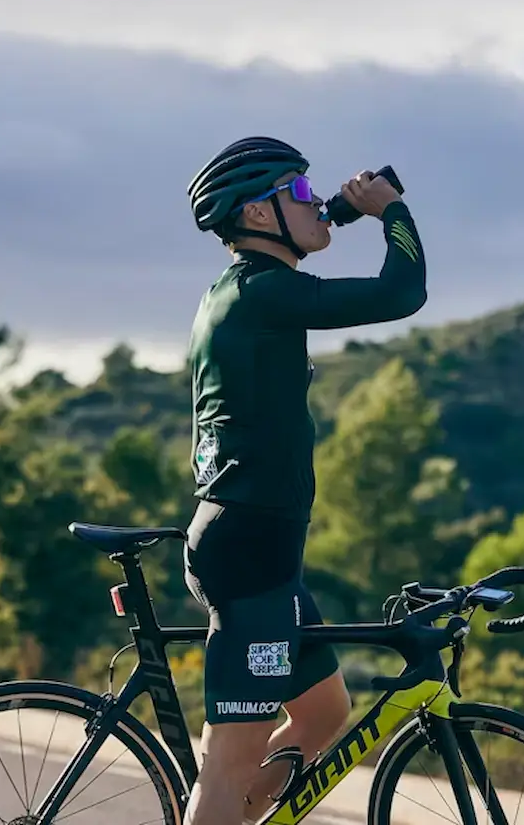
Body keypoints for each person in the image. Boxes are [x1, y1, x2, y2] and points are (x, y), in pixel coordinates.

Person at [181, 136, 427, 824]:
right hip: (249, 547)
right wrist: (391, 211)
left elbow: (316, 241)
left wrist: (334, 214)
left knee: (322, 714)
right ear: (258, 218)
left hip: (262, 546)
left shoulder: (249, 290)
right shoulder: (262, 294)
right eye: (295, 192)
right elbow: (401, 292)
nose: (311, 199)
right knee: (230, 762)